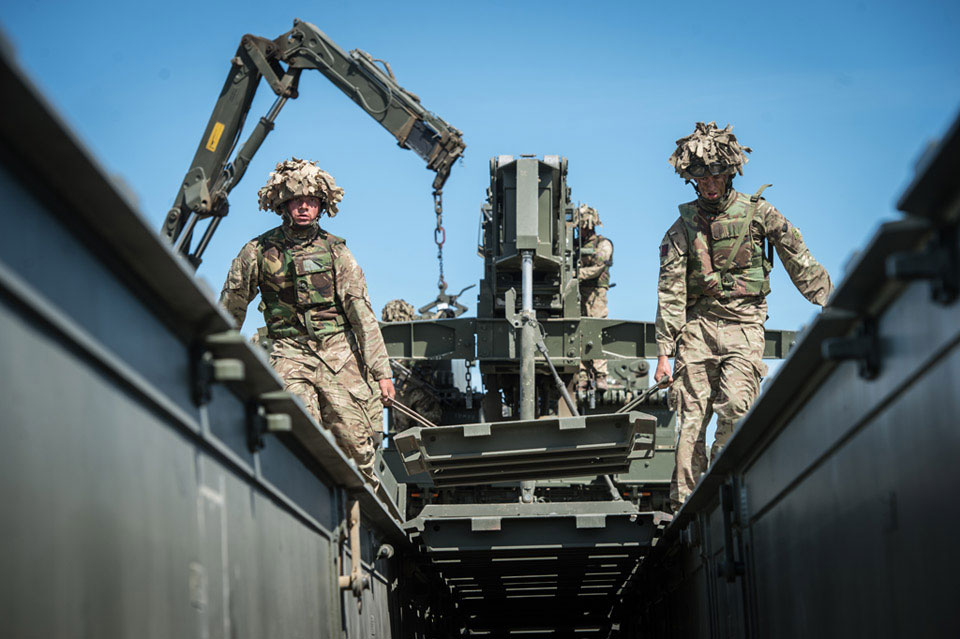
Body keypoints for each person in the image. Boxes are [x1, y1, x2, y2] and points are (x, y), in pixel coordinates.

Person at [655, 122, 832, 511]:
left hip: (744, 324)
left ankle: (722, 486)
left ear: (731, 171)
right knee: (690, 424)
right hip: (697, 328)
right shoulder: (681, 230)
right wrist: (665, 353)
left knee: (737, 407)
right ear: (691, 180)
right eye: (701, 177)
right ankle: (685, 505)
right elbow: (670, 292)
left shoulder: (759, 214)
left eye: (717, 175)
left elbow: (797, 257)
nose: (710, 185)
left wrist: (828, 300)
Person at [219, 158, 395, 489]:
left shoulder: (338, 253)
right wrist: (218, 355)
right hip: (288, 353)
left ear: (321, 205)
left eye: (311, 200)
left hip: (338, 353)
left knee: (357, 443)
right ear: (283, 203)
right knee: (300, 427)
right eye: (297, 200)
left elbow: (362, 315)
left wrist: (381, 373)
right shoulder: (256, 251)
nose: (303, 206)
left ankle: (364, 509)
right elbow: (232, 306)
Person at [576, 204, 614, 391]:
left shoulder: (603, 244)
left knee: (596, 331)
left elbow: (599, 267)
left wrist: (577, 274)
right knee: (580, 334)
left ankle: (600, 375)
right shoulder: (576, 246)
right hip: (578, 295)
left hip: (596, 294)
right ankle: (583, 375)